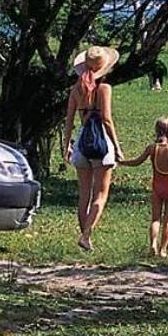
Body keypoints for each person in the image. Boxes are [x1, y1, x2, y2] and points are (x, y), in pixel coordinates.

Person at [61, 45, 122, 252]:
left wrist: (66, 145)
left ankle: (85, 237)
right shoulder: (104, 88)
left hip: (82, 144)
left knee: (83, 195)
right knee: (101, 194)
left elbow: (68, 121)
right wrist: (117, 146)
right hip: (101, 145)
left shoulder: (76, 90)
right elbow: (106, 119)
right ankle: (86, 235)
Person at [121, 117, 168, 257]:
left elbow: (137, 162)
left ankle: (153, 244)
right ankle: (163, 250)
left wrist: (123, 162)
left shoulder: (152, 148)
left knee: (156, 219)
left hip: (157, 187)